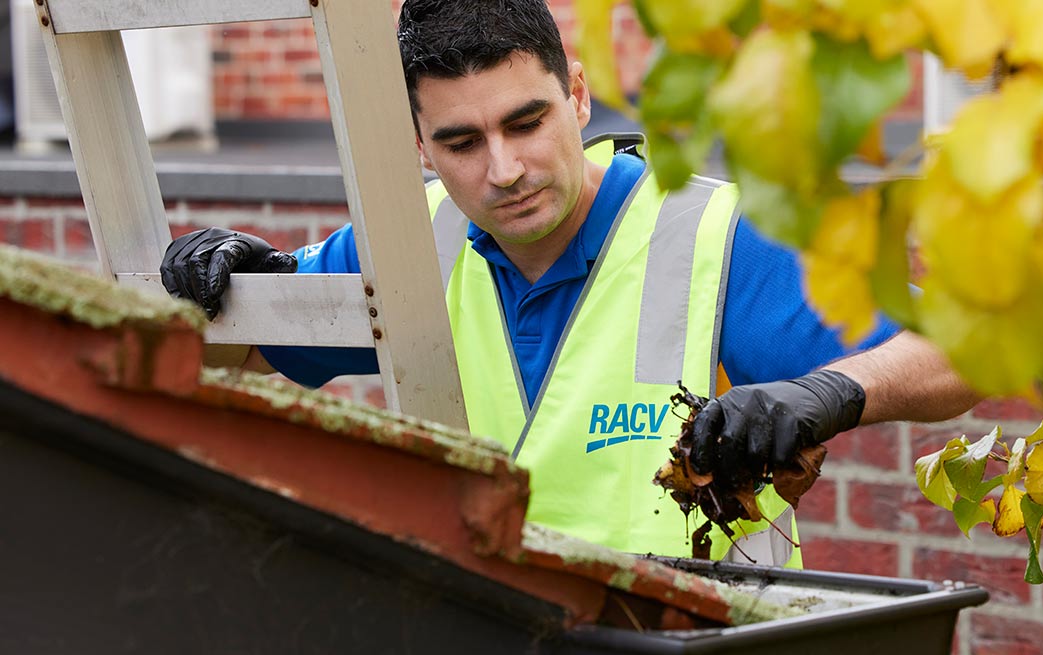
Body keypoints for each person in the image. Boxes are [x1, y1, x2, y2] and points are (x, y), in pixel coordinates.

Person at [160, 0, 979, 566]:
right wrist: (227, 282)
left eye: (526, 122)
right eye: (462, 141)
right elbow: (242, 358)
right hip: (487, 632)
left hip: (694, 641)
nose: (505, 169)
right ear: (419, 146)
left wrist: (824, 392)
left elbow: (955, 362)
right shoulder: (413, 241)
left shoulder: (712, 237)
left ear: (578, 96)